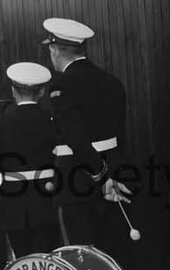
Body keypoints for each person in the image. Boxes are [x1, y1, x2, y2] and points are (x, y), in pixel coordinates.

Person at [41, 17, 131, 248]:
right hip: (114, 176)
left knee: (80, 256)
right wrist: (111, 173)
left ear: (55, 50)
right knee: (112, 252)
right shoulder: (112, 81)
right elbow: (120, 133)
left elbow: (75, 137)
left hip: (76, 182)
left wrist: (100, 175)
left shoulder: (62, 85)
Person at [0, 61, 60, 258]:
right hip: (46, 197)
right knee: (47, 260)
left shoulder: (1, 123)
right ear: (42, 92)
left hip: (13, 199)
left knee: (22, 260)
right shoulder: (52, 119)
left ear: (13, 91)